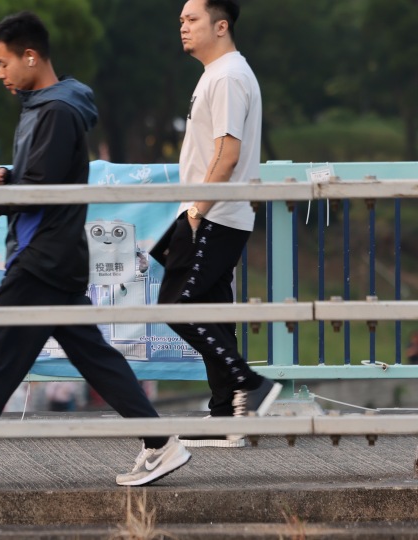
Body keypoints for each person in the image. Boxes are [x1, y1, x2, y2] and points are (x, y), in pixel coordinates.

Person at [0, 11, 190, 490]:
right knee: (92, 356)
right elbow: (43, 179)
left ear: (30, 56)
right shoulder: (47, 107)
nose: (0, 73)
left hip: (42, 258)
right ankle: (161, 443)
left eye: (3, 62)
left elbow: (40, 191)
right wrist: (5, 179)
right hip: (55, 256)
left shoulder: (55, 112)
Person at [151, 0, 281, 448]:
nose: (183, 27)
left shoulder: (227, 76)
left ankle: (251, 384)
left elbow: (227, 154)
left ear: (221, 25)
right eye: (181, 21)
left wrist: (195, 212)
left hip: (214, 214)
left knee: (177, 306)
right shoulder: (219, 73)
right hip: (218, 212)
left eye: (192, 20)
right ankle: (226, 414)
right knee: (212, 310)